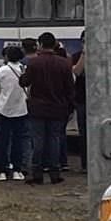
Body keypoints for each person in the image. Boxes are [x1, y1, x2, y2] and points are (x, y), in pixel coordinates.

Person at [20, 32, 74, 185]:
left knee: (38, 140)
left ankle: (37, 173)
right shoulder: (64, 63)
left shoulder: (34, 63)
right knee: (54, 140)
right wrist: (70, 107)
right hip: (58, 108)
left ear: (40, 44)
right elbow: (70, 88)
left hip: (38, 108)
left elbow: (24, 82)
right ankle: (55, 173)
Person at [0, 45, 29, 181]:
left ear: (6, 57)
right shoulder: (24, 69)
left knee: (2, 141)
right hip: (21, 110)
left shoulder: (2, 71)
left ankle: (2, 171)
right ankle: (17, 170)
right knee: (18, 141)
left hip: (2, 110)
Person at [72, 31, 87, 172]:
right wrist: (84, 54)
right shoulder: (77, 56)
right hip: (81, 99)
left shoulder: (103, 54)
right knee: (84, 133)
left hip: (98, 100)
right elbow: (77, 72)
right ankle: (85, 164)